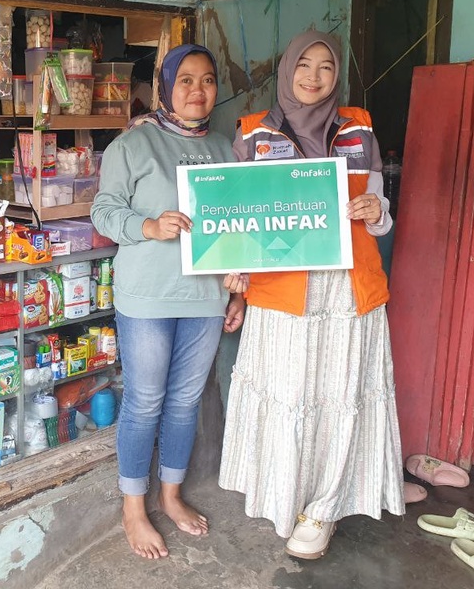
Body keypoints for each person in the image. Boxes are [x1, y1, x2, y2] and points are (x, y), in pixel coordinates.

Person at [217, 29, 404, 560]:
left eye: (325, 67)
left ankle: (324, 507)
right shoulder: (254, 135)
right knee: (290, 394)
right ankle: (286, 495)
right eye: (304, 65)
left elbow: (379, 211)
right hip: (284, 294)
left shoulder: (358, 128)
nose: (314, 77)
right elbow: (236, 219)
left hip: (346, 291)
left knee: (340, 396)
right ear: (286, 71)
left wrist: (376, 211)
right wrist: (233, 274)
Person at [91, 44, 246, 560]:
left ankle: (171, 497)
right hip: (148, 298)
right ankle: (133, 510)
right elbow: (104, 211)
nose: (197, 91)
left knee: (184, 403)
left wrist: (238, 287)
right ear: (166, 87)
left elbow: (239, 228)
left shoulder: (227, 148)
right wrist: (150, 226)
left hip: (205, 298)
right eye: (185, 81)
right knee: (145, 403)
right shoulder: (133, 146)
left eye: (206, 80)